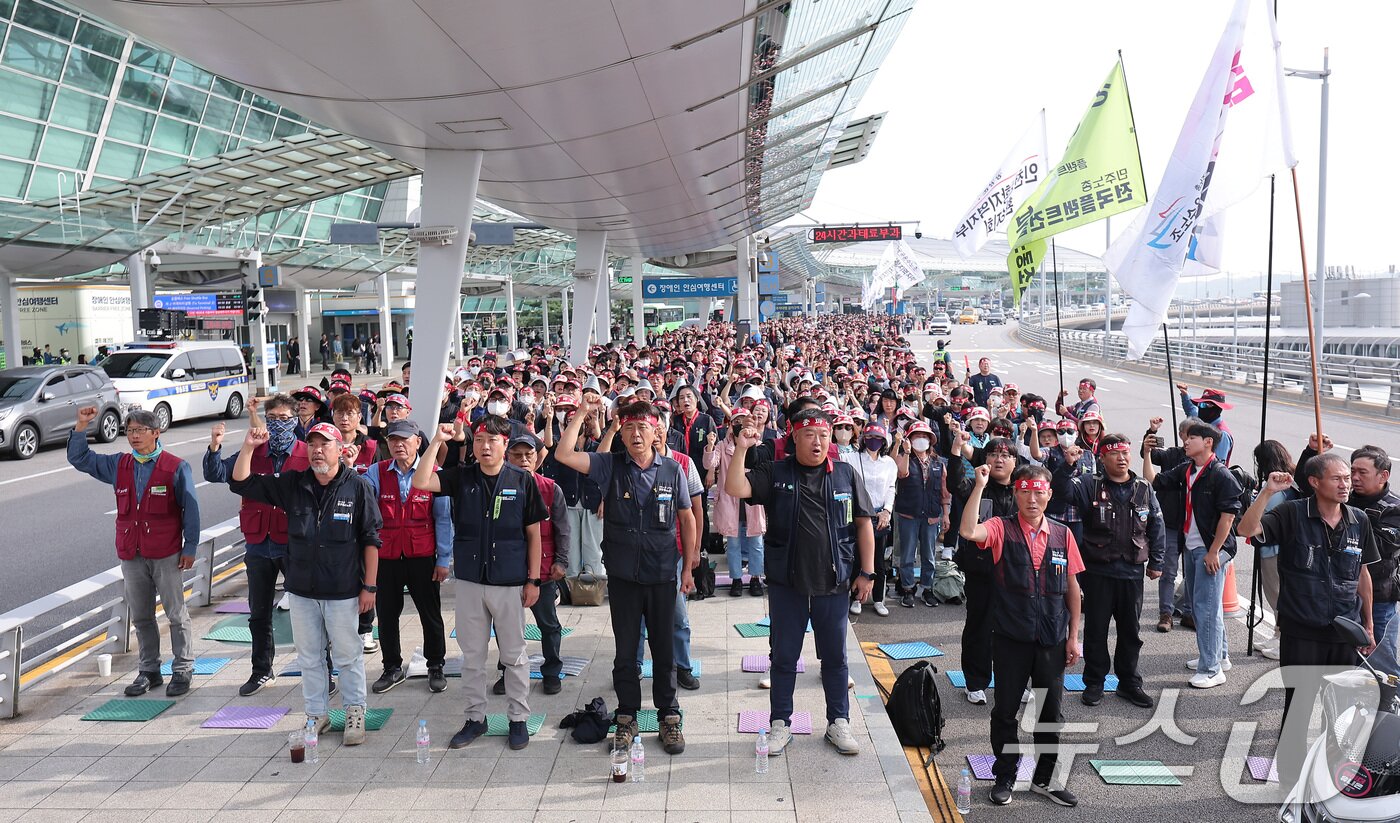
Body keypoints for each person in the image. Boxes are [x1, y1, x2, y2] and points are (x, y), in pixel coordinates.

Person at [725, 407, 877, 758]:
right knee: (782, 657)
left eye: (824, 435)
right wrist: (742, 448)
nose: (818, 441)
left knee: (836, 658)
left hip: (834, 583)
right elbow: (736, 487)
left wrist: (866, 573)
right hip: (787, 583)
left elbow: (864, 524)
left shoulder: (845, 474)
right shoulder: (776, 472)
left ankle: (839, 722)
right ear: (793, 437)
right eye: (809, 434)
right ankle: (780, 723)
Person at [553, 396, 696, 756]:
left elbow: (687, 518)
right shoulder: (608, 465)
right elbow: (564, 455)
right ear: (621, 431)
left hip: (663, 574)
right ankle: (627, 716)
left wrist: (689, 567)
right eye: (628, 426)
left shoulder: (672, 470)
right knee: (626, 652)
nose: (635, 433)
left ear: (656, 431)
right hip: (623, 576)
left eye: (642, 427)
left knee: (664, 650)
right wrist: (584, 413)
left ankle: (669, 716)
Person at [229, 423, 381, 745]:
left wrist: (369, 587)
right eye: (312, 444)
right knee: (309, 657)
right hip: (301, 592)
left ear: (340, 449)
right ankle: (316, 713)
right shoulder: (293, 484)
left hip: (343, 592)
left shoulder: (357, 487)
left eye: (324, 444)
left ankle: (355, 711)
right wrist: (247, 448)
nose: (317, 450)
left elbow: (371, 539)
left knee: (348, 655)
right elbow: (241, 482)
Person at [1237, 453, 1378, 789]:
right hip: (1302, 632)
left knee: (1340, 714)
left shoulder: (1358, 520)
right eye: (1337, 478)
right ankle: (1290, 782)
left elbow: (1363, 575)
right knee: (1299, 709)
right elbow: (1247, 529)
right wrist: (1267, 493)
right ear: (1315, 483)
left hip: (1344, 633)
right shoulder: (1291, 513)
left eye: (1348, 478)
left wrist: (1368, 624)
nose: (1346, 484)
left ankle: (1332, 778)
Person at [413, 416, 545, 752]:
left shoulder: (522, 480)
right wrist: (437, 442)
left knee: (514, 656)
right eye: (479, 440)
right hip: (471, 581)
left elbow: (534, 536)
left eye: (493, 440)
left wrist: (533, 580)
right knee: (472, 657)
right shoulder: (462, 477)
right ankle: (475, 718)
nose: (485, 446)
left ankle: (518, 719)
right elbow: (421, 481)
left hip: (510, 581)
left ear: (505, 444)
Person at [959, 464, 1083, 808]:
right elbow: (969, 530)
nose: (1032, 498)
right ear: (1016, 493)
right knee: (1006, 712)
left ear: (1049, 494)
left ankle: (1044, 778)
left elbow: (1073, 589)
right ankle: (1005, 775)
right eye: (1025, 491)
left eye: (1039, 491)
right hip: (1011, 638)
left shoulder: (1063, 534)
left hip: (1052, 640)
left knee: (1049, 714)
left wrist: (1074, 637)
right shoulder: (1001, 528)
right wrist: (980, 485)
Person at [68, 406, 200, 698]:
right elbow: (80, 458)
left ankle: (183, 669)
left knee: (176, 614)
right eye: (130, 431)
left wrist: (190, 546)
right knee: (141, 616)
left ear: (156, 433)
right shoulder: (120, 465)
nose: (134, 436)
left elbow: (190, 508)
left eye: (140, 430)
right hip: (132, 553)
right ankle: (149, 670)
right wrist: (80, 426)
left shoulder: (175, 466)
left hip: (165, 553)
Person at [1049, 434, 1165, 709]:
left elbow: (1156, 526)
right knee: (1097, 630)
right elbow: (1060, 494)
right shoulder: (1090, 484)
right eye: (1114, 454)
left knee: (1130, 631)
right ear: (1102, 458)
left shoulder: (1143, 488)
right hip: (1098, 571)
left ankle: (1129, 683)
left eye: (1125, 453)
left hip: (1131, 573)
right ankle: (1094, 683)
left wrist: (1158, 562)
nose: (1122, 458)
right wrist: (1066, 466)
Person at [204, 394, 310, 696]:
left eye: (285, 419)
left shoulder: (306, 452)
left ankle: (321, 668)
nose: (278, 425)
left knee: (308, 611)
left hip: (295, 541)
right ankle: (262, 670)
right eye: (273, 419)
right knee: (258, 612)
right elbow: (215, 473)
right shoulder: (253, 450)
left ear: (295, 420)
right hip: (258, 542)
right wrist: (215, 445)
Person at [1144, 422, 1243, 689]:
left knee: (1205, 608)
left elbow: (1228, 516)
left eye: (1193, 438)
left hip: (1211, 550)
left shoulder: (1220, 474)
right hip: (1192, 545)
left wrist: (1214, 552)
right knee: (1207, 608)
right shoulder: (1189, 468)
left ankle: (1210, 669)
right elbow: (1155, 481)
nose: (1186, 442)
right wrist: (1145, 454)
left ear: (1208, 442)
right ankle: (1218, 657)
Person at [364, 421, 452, 695]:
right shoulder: (376, 472)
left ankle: (435, 665)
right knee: (388, 615)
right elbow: (363, 497)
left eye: (404, 439)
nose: (398, 444)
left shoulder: (433, 473)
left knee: (430, 613)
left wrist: (444, 559)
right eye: (393, 440)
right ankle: (392, 667)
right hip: (387, 555)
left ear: (417, 442)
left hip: (422, 555)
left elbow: (444, 519)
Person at [490, 434, 571, 695]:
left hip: (544, 570)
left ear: (537, 457)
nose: (524, 460)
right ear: (507, 457)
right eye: (517, 455)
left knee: (548, 624)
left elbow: (562, 529)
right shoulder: (497, 487)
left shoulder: (550, 488)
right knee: (505, 626)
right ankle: (508, 672)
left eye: (529, 455)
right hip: (507, 570)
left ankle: (552, 671)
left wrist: (561, 561)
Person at [948, 437, 1020, 706]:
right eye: (993, 454)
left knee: (1015, 629)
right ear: (984, 459)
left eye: (1005, 455)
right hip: (981, 571)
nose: (999, 459)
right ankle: (976, 682)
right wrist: (956, 452)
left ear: (1015, 461)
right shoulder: (977, 486)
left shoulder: (1021, 490)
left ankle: (1014, 680)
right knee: (980, 626)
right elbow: (955, 484)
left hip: (1016, 572)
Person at [706, 409, 766, 597]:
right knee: (733, 544)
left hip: (752, 500)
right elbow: (710, 464)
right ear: (730, 425)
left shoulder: (757, 444)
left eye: (743, 421)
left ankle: (756, 578)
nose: (740, 424)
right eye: (736, 421)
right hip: (730, 501)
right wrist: (709, 446)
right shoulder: (722, 446)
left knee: (756, 542)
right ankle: (736, 579)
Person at [893, 421, 951, 608]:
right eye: (917, 436)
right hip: (909, 514)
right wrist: (906, 451)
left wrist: (946, 515)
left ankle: (927, 588)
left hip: (932, 515)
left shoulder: (938, 463)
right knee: (908, 554)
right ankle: (908, 588)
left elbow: (944, 492)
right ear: (909, 439)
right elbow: (901, 473)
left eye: (925, 436)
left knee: (929, 555)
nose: (921, 439)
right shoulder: (904, 458)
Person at [843, 423, 896, 617]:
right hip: (859, 514)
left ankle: (879, 599)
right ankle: (857, 597)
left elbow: (891, 488)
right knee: (858, 556)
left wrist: (887, 511)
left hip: (880, 515)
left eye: (878, 439)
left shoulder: (889, 463)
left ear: (883, 442)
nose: (874, 442)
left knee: (879, 560)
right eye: (870, 437)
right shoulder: (851, 458)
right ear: (864, 439)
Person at [1177, 385, 1234, 463]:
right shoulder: (1200, 421)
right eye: (1200, 404)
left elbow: (1217, 465)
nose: (1201, 408)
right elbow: (1191, 409)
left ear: (1217, 408)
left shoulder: (1222, 435)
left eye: (1204, 405)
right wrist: (1185, 394)